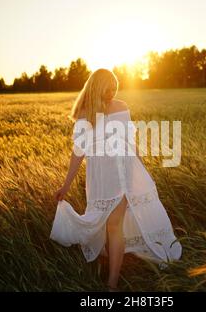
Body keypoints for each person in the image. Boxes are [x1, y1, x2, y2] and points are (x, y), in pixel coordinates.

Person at [50, 68, 182, 292]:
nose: (112, 92)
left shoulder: (122, 107)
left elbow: (130, 144)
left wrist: (140, 174)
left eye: (115, 88)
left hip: (122, 173)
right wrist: (66, 185)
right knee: (104, 225)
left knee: (114, 225)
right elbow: (78, 153)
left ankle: (112, 284)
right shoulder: (84, 114)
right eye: (108, 87)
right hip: (100, 179)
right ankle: (112, 267)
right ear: (97, 87)